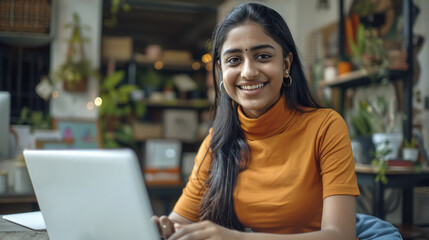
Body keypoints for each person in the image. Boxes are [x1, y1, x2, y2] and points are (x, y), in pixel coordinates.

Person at [152, 3, 360, 240]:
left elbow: (341, 235)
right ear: (220, 70)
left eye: (263, 56)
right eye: (234, 60)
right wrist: (161, 227)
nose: (248, 72)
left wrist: (235, 238)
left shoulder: (326, 127)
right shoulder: (216, 142)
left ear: (285, 64)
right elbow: (179, 223)